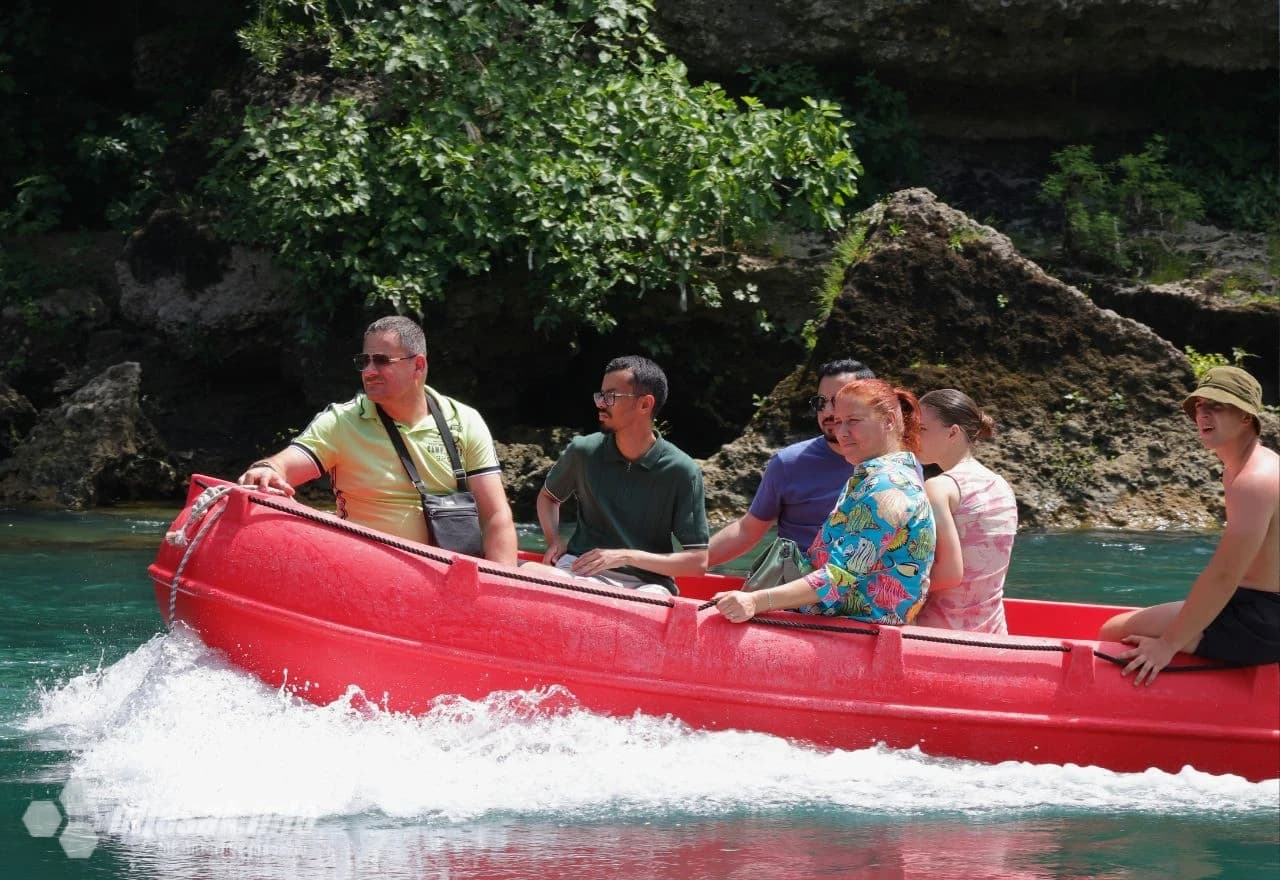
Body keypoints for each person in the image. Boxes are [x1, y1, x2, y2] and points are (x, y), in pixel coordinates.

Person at [237, 316, 518, 565]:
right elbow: (286, 464)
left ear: (418, 366)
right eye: (364, 361)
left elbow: (495, 514)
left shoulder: (465, 421)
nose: (369, 371)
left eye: (382, 361)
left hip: (450, 576)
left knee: (550, 574)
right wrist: (268, 469)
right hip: (366, 571)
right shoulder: (341, 422)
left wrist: (502, 585)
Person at [1099, 366, 1279, 683]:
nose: (1203, 414)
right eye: (1199, 405)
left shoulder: (1256, 479)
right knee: (1117, 627)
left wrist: (1168, 645)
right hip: (1251, 603)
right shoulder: (1241, 470)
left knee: (1114, 632)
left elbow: (1225, 575)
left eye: (1217, 405)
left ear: (1246, 417)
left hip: (1264, 620)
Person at [714, 378, 934, 624]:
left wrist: (755, 601)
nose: (842, 432)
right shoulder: (882, 476)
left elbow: (838, 577)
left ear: (889, 420)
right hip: (848, 625)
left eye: (854, 421)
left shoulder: (886, 486)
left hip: (857, 632)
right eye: (838, 421)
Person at [524, 356, 710, 595]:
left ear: (645, 404)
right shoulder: (583, 451)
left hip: (648, 585)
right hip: (578, 571)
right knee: (526, 571)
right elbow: (549, 497)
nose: (601, 404)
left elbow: (697, 562)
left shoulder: (683, 471)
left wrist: (626, 556)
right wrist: (553, 541)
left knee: (647, 600)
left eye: (611, 396)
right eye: (600, 395)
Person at [707, 359, 876, 568]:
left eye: (839, 400)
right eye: (821, 402)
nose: (828, 412)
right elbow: (747, 531)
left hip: (867, 590)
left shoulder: (896, 467)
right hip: (796, 587)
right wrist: (688, 563)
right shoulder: (789, 463)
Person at [914, 389, 1018, 634]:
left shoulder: (939, 487)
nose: (912, 437)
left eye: (922, 429)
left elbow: (949, 575)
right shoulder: (1001, 485)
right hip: (994, 632)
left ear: (952, 432)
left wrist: (881, 581)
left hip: (942, 634)